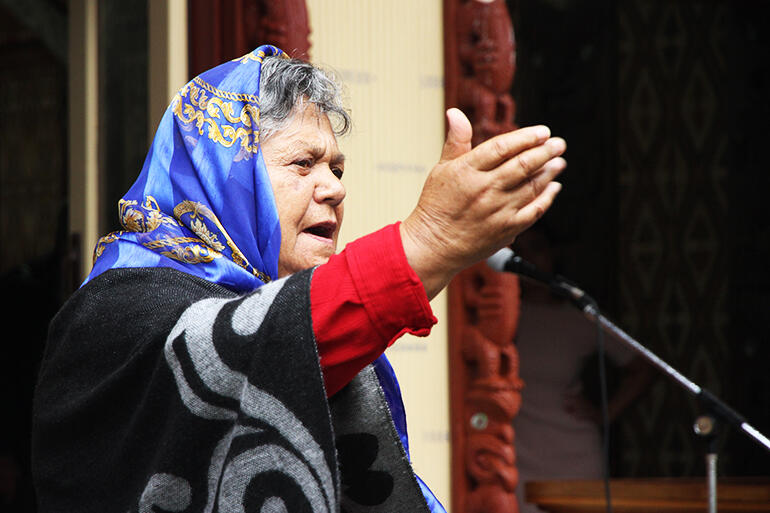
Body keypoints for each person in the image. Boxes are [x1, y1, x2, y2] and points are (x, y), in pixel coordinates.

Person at [32, 45, 566, 512]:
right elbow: (244, 352)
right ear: (225, 176)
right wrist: (426, 246)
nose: (333, 187)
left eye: (337, 167)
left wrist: (435, 253)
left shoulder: (270, 306)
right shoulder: (114, 313)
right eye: (303, 163)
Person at [510, 227, 652, 513]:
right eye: (518, 252)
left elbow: (643, 368)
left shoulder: (581, 317)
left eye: (536, 248)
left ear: (553, 254)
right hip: (516, 456)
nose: (527, 259)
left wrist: (604, 415)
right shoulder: (496, 315)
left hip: (574, 453)